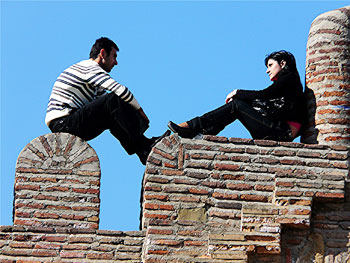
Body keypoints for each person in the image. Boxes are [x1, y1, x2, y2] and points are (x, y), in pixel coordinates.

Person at [45, 37, 169, 165]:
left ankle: (143, 150)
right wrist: (140, 111)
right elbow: (120, 91)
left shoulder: (93, 79)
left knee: (113, 112)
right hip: (64, 123)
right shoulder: (89, 67)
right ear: (103, 53)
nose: (116, 63)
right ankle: (143, 145)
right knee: (114, 99)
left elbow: (110, 107)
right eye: (114, 56)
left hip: (68, 123)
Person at [168, 50, 305, 142]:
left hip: (281, 133)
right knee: (237, 105)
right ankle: (201, 133)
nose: (267, 70)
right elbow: (263, 102)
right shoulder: (286, 84)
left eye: (270, 65)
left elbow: (264, 95)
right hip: (276, 130)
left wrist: (237, 92)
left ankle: (194, 127)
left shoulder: (289, 78)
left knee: (236, 105)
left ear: (282, 63)